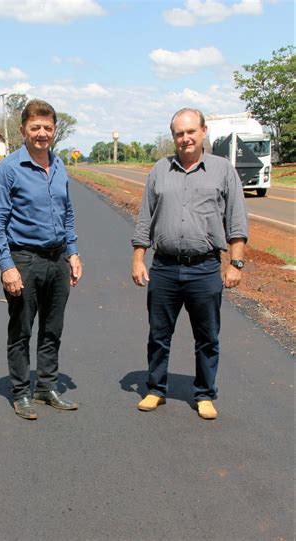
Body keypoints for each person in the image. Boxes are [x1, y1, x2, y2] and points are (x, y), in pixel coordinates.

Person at [131, 108, 248, 420]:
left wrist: (235, 263)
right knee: (158, 334)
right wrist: (138, 258)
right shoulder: (159, 170)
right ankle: (156, 389)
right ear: (173, 137)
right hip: (165, 267)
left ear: (203, 131)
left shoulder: (223, 170)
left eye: (190, 131)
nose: (185, 138)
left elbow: (236, 220)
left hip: (205, 268)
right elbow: (145, 218)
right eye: (179, 133)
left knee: (207, 336)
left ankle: (204, 393)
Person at [0, 99, 83, 420]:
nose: (42, 133)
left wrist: (73, 251)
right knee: (22, 330)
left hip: (57, 260)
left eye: (48, 128)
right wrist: (7, 267)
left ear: (55, 130)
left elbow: (67, 212)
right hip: (23, 260)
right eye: (35, 127)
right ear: (23, 130)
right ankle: (20, 392)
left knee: (52, 329)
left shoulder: (58, 166)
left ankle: (46, 386)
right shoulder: (8, 169)